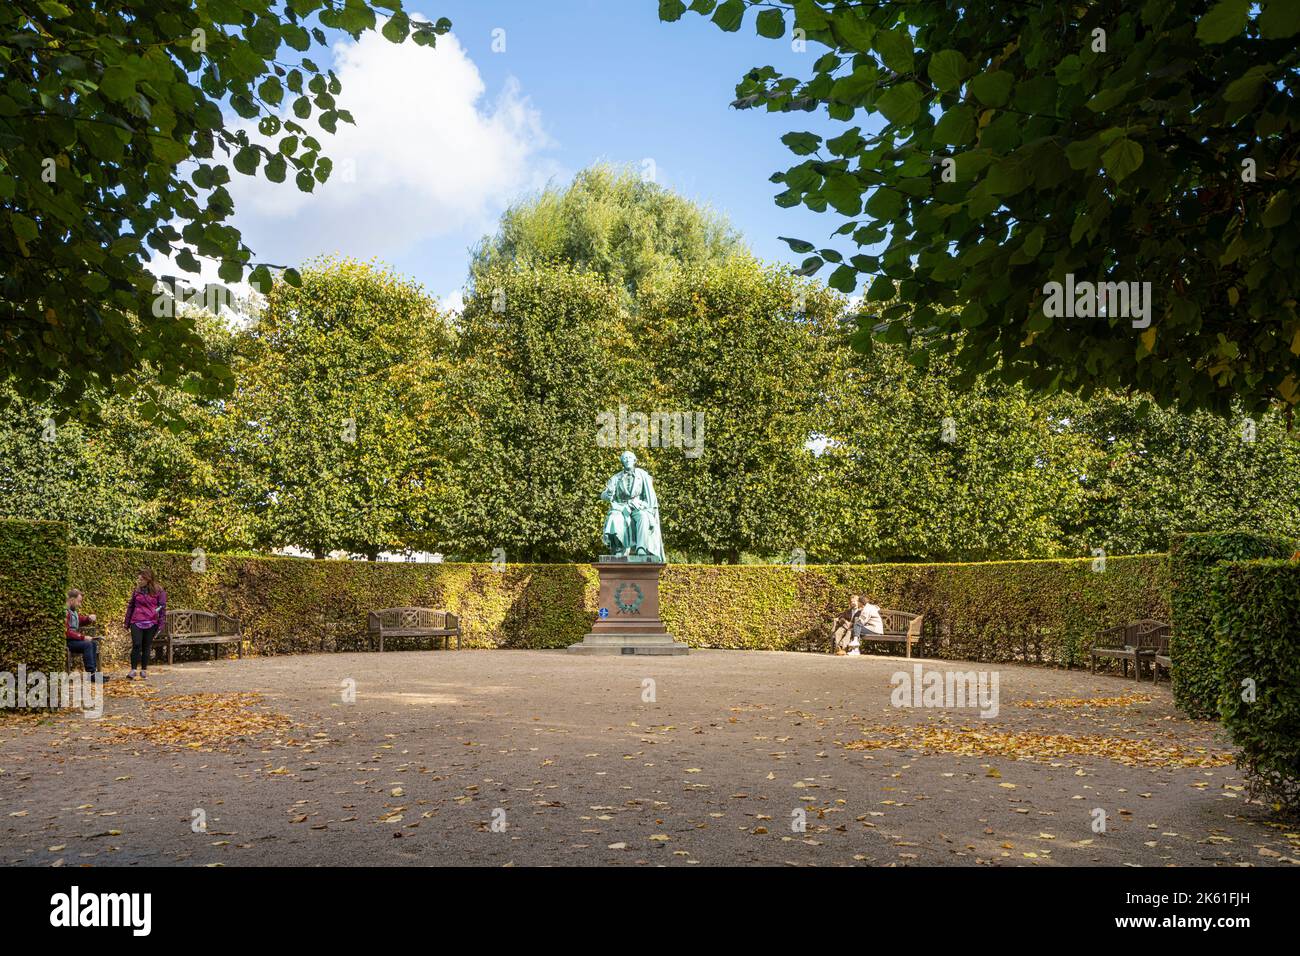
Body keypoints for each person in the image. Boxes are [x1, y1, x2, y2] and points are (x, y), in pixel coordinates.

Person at [124, 567, 167, 680]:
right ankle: (133, 670)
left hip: (151, 622)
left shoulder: (159, 591)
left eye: (141, 579)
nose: (139, 581)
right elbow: (131, 606)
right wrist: (126, 622)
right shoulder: (137, 590)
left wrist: (161, 624)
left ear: (148, 579)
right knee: (136, 644)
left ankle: (144, 670)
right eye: (138, 579)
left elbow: (162, 608)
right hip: (136, 621)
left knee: (146, 646)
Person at [65, 588, 108, 679]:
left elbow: (79, 620)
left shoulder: (73, 611)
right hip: (68, 642)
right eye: (78, 602)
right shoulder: (65, 612)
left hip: (74, 640)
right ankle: (91, 675)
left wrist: (88, 619)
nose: (79, 604)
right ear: (72, 600)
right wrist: (82, 637)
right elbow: (66, 632)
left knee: (93, 644)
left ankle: (94, 673)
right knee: (87, 645)